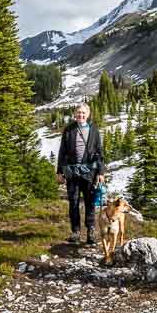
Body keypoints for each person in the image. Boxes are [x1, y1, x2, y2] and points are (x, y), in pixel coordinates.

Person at [56, 103, 106, 244]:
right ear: (74, 114)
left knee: (90, 203)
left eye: (83, 113)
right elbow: (62, 152)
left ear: (88, 114)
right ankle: (76, 232)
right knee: (73, 203)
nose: (81, 115)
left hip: (89, 172)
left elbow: (99, 153)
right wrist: (60, 172)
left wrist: (101, 172)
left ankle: (91, 231)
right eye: (78, 112)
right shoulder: (68, 130)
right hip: (72, 172)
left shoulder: (94, 130)